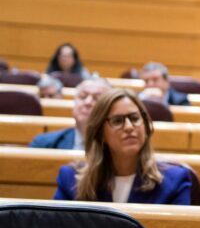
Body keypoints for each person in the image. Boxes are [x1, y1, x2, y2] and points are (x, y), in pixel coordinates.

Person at [53, 88, 191, 204]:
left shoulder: (175, 181)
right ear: (100, 133)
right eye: (117, 121)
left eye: (135, 118)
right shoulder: (70, 180)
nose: (129, 127)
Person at [29, 77, 112, 149]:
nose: (88, 102)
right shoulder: (43, 144)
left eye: (97, 98)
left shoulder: (116, 147)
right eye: (83, 96)